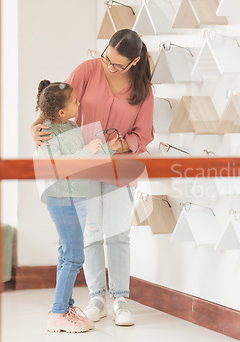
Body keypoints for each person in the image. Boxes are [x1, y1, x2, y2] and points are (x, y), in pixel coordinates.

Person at [31, 29, 154, 326]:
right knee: (93, 233)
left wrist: (120, 144)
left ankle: (120, 298)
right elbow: (54, 102)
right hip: (84, 167)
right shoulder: (87, 70)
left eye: (117, 64)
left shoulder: (144, 90)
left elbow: (144, 135)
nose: (109, 67)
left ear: (134, 62)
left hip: (119, 168)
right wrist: (35, 126)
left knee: (118, 234)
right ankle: (97, 296)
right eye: (107, 58)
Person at [33, 80, 121, 333]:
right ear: (61, 111)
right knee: (74, 255)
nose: (79, 103)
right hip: (60, 197)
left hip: (73, 196)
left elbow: (84, 161)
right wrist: (91, 150)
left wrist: (107, 149)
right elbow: (61, 165)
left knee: (66, 253)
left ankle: (65, 307)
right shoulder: (45, 132)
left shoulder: (70, 126)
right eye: (74, 102)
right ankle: (59, 312)